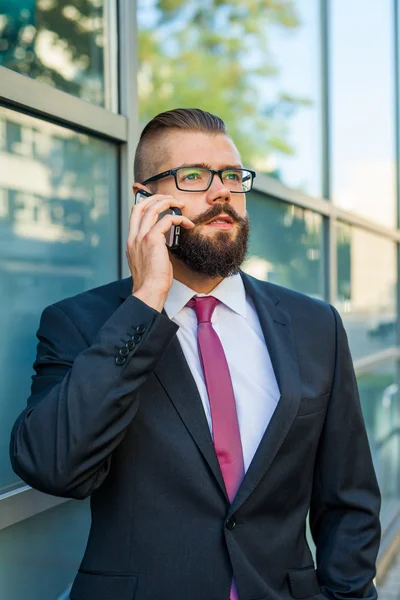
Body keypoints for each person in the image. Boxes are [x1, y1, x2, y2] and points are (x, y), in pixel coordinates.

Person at [10, 108, 380, 600]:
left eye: (231, 175)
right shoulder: (81, 323)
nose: (221, 190)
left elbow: (348, 502)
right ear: (146, 201)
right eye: (193, 176)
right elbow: (54, 466)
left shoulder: (316, 326)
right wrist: (146, 303)